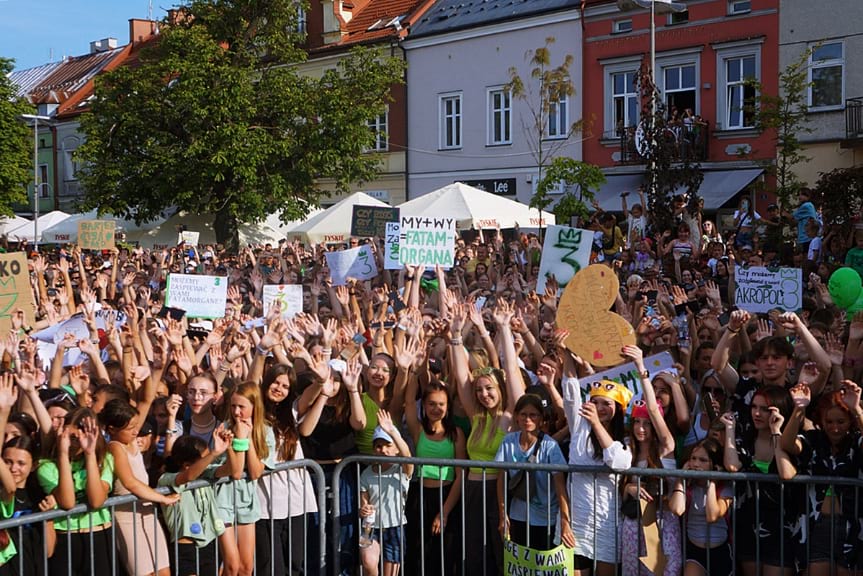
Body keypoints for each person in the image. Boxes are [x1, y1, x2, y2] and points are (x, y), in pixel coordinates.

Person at [449, 299, 524, 575]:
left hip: (498, 493)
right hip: (471, 492)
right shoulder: (476, 417)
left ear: (499, 388)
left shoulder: (510, 418)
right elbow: (460, 375)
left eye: (489, 389)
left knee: (499, 551)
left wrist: (503, 328)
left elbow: (513, 374)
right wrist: (456, 335)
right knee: (474, 555)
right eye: (479, 390)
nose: (483, 394)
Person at [778, 380, 863, 576]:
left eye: (841, 422)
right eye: (829, 422)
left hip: (852, 526)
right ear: (821, 421)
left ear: (850, 421)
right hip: (816, 525)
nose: (834, 428)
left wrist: (857, 408)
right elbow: (788, 443)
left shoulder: (855, 441)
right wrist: (799, 409)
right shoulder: (814, 439)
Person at [563, 346, 633, 576]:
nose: (601, 408)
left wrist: (596, 424)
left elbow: (619, 462)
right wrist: (566, 353)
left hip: (607, 523)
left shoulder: (626, 438)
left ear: (618, 409)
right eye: (597, 402)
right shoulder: (579, 426)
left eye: (607, 404)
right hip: (577, 522)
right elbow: (571, 390)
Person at [402, 339, 465, 576]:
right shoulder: (418, 430)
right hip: (420, 497)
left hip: (447, 496)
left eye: (440, 404)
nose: (436, 409)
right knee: (418, 553)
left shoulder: (456, 434)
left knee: (445, 556)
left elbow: (460, 476)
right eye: (431, 404)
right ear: (425, 406)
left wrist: (445, 511)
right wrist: (415, 370)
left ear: (448, 407)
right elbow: (409, 401)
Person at [721, 386, 797, 576]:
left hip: (781, 526)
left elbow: (786, 472)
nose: (757, 413)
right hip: (749, 524)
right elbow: (732, 466)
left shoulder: (788, 440)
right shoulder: (747, 438)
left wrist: (776, 432)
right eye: (754, 407)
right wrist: (730, 430)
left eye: (765, 409)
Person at [99, 399, 179, 576]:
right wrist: (163, 498)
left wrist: (156, 372)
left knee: (164, 572)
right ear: (112, 429)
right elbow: (130, 482)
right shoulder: (115, 447)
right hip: (127, 517)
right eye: (130, 428)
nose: (136, 431)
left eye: (136, 425)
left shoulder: (131, 440)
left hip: (147, 512)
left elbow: (145, 400)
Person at [620, 346, 681, 576]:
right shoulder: (628, 452)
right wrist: (630, 488)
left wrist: (641, 367)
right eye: (637, 422)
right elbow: (623, 490)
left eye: (646, 423)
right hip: (632, 528)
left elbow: (654, 410)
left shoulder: (667, 448)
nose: (641, 428)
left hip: (663, 528)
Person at [37, 407, 115, 576]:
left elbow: (96, 501)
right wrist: (63, 455)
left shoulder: (104, 460)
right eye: (70, 437)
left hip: (99, 534)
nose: (75, 443)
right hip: (66, 537)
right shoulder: (47, 466)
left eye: (80, 438)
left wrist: (89, 454)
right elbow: (67, 502)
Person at [495, 393, 574, 551]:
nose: (527, 419)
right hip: (517, 515)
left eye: (533, 415)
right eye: (523, 414)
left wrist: (566, 521)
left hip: (546, 518)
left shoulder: (550, 446)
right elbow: (501, 480)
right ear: (516, 416)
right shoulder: (508, 441)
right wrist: (503, 514)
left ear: (541, 418)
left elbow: (560, 487)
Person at [158, 431, 231, 576]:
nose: (209, 462)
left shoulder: (205, 474)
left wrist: (229, 446)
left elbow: (232, 470)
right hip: (185, 547)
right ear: (186, 465)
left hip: (209, 541)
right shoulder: (166, 479)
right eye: (205, 459)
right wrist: (214, 454)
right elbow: (189, 476)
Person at [668, 438, 734, 576]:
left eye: (703, 460)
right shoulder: (689, 487)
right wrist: (681, 479)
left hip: (720, 552)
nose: (696, 464)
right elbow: (676, 509)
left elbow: (712, 515)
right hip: (695, 552)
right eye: (693, 458)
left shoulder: (724, 488)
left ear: (714, 464)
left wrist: (712, 482)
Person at [358, 411, 413, 576]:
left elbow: (408, 455)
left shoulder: (402, 469)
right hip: (369, 527)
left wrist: (392, 432)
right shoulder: (366, 473)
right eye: (379, 446)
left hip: (395, 526)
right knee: (368, 562)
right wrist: (363, 510)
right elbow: (364, 502)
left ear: (396, 448)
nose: (383, 450)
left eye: (388, 445)